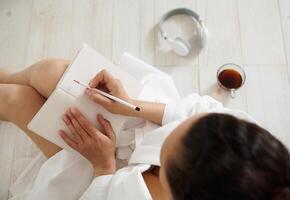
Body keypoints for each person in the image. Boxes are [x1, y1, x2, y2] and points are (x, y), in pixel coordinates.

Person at [0, 59, 289, 200]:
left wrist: (103, 166)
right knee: (51, 71)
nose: (189, 119)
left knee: (16, 100)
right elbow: (192, 111)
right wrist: (131, 106)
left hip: (99, 181)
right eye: (193, 125)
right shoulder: (247, 146)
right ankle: (11, 75)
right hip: (130, 136)